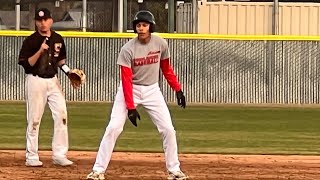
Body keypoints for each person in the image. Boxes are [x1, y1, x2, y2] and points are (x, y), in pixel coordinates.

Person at [86, 10, 189, 180]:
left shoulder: (161, 44)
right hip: (130, 89)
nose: (141, 28)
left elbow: (166, 69)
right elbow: (126, 80)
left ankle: (174, 170)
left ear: (151, 27)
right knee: (114, 127)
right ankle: (98, 170)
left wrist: (177, 89)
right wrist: (131, 107)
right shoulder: (128, 49)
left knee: (168, 129)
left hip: (152, 90)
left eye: (144, 25)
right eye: (138, 25)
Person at [18, 8, 74, 167]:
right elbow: (27, 64)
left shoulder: (58, 38)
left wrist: (69, 73)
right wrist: (39, 51)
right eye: (39, 20)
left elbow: (61, 62)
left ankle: (59, 154)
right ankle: (32, 156)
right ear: (36, 22)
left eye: (45, 20)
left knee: (62, 115)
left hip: (53, 81)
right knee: (34, 119)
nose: (43, 23)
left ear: (51, 21)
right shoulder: (30, 41)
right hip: (35, 81)